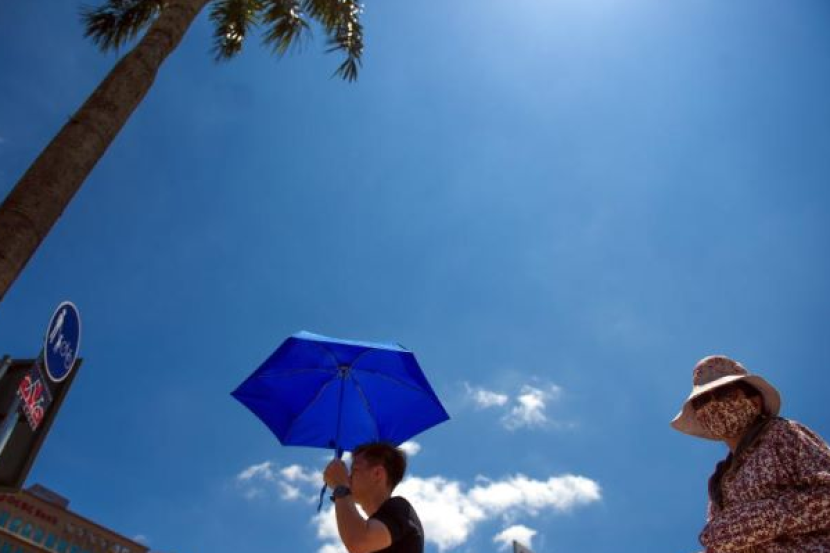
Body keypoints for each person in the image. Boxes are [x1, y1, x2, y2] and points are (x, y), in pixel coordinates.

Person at [671, 355, 830, 552]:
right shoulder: (719, 483)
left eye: (723, 392)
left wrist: (743, 525)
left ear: (755, 402)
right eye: (702, 401)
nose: (712, 404)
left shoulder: (781, 434)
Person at [323, 442, 424, 553]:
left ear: (377, 473)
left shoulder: (400, 508)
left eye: (355, 470)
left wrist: (341, 486)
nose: (349, 477)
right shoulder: (374, 528)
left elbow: (358, 542)